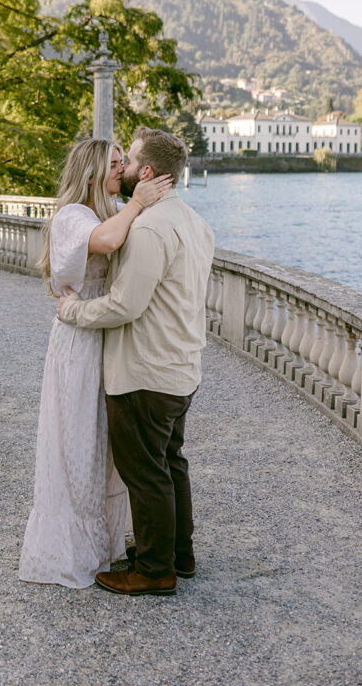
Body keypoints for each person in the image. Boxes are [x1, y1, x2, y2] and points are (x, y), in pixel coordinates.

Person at [57, 127, 215, 597]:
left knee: (145, 472)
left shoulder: (147, 228)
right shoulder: (194, 222)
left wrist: (73, 311)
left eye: (129, 162)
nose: (122, 169)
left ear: (146, 172)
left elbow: (125, 306)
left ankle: (153, 570)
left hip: (146, 369)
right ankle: (177, 555)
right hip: (183, 365)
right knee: (170, 463)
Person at [19, 138, 173, 588]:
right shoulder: (74, 216)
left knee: (101, 447)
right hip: (78, 343)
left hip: (103, 339)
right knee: (77, 443)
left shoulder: (106, 212)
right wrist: (138, 203)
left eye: (124, 161)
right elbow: (105, 242)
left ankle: (102, 545)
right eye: (113, 163)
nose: (121, 169)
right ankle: (71, 551)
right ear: (89, 172)